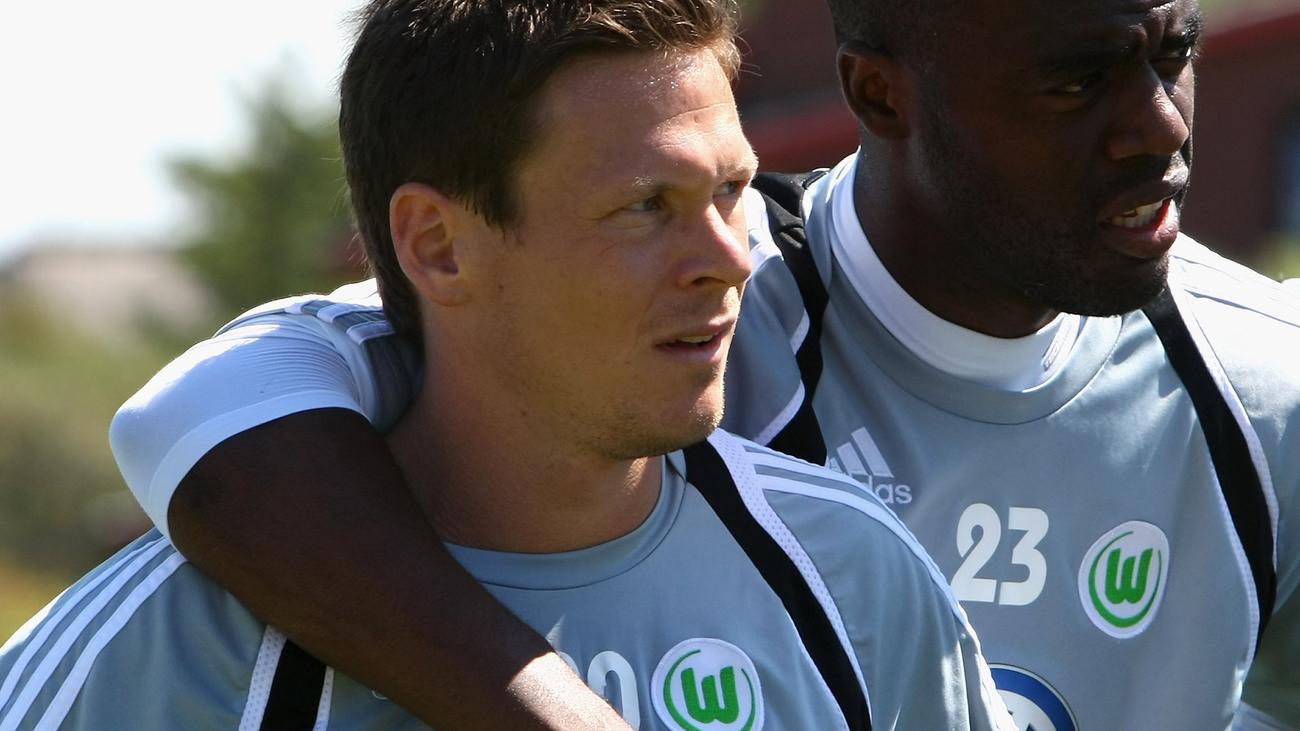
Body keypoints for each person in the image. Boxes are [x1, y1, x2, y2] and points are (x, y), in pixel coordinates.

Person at [95, 0, 1300, 728]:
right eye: (1074, 79)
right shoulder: (668, 317)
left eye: (1176, 51)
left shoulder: (1266, 385)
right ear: (878, 93)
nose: (1160, 125)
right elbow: (201, 419)